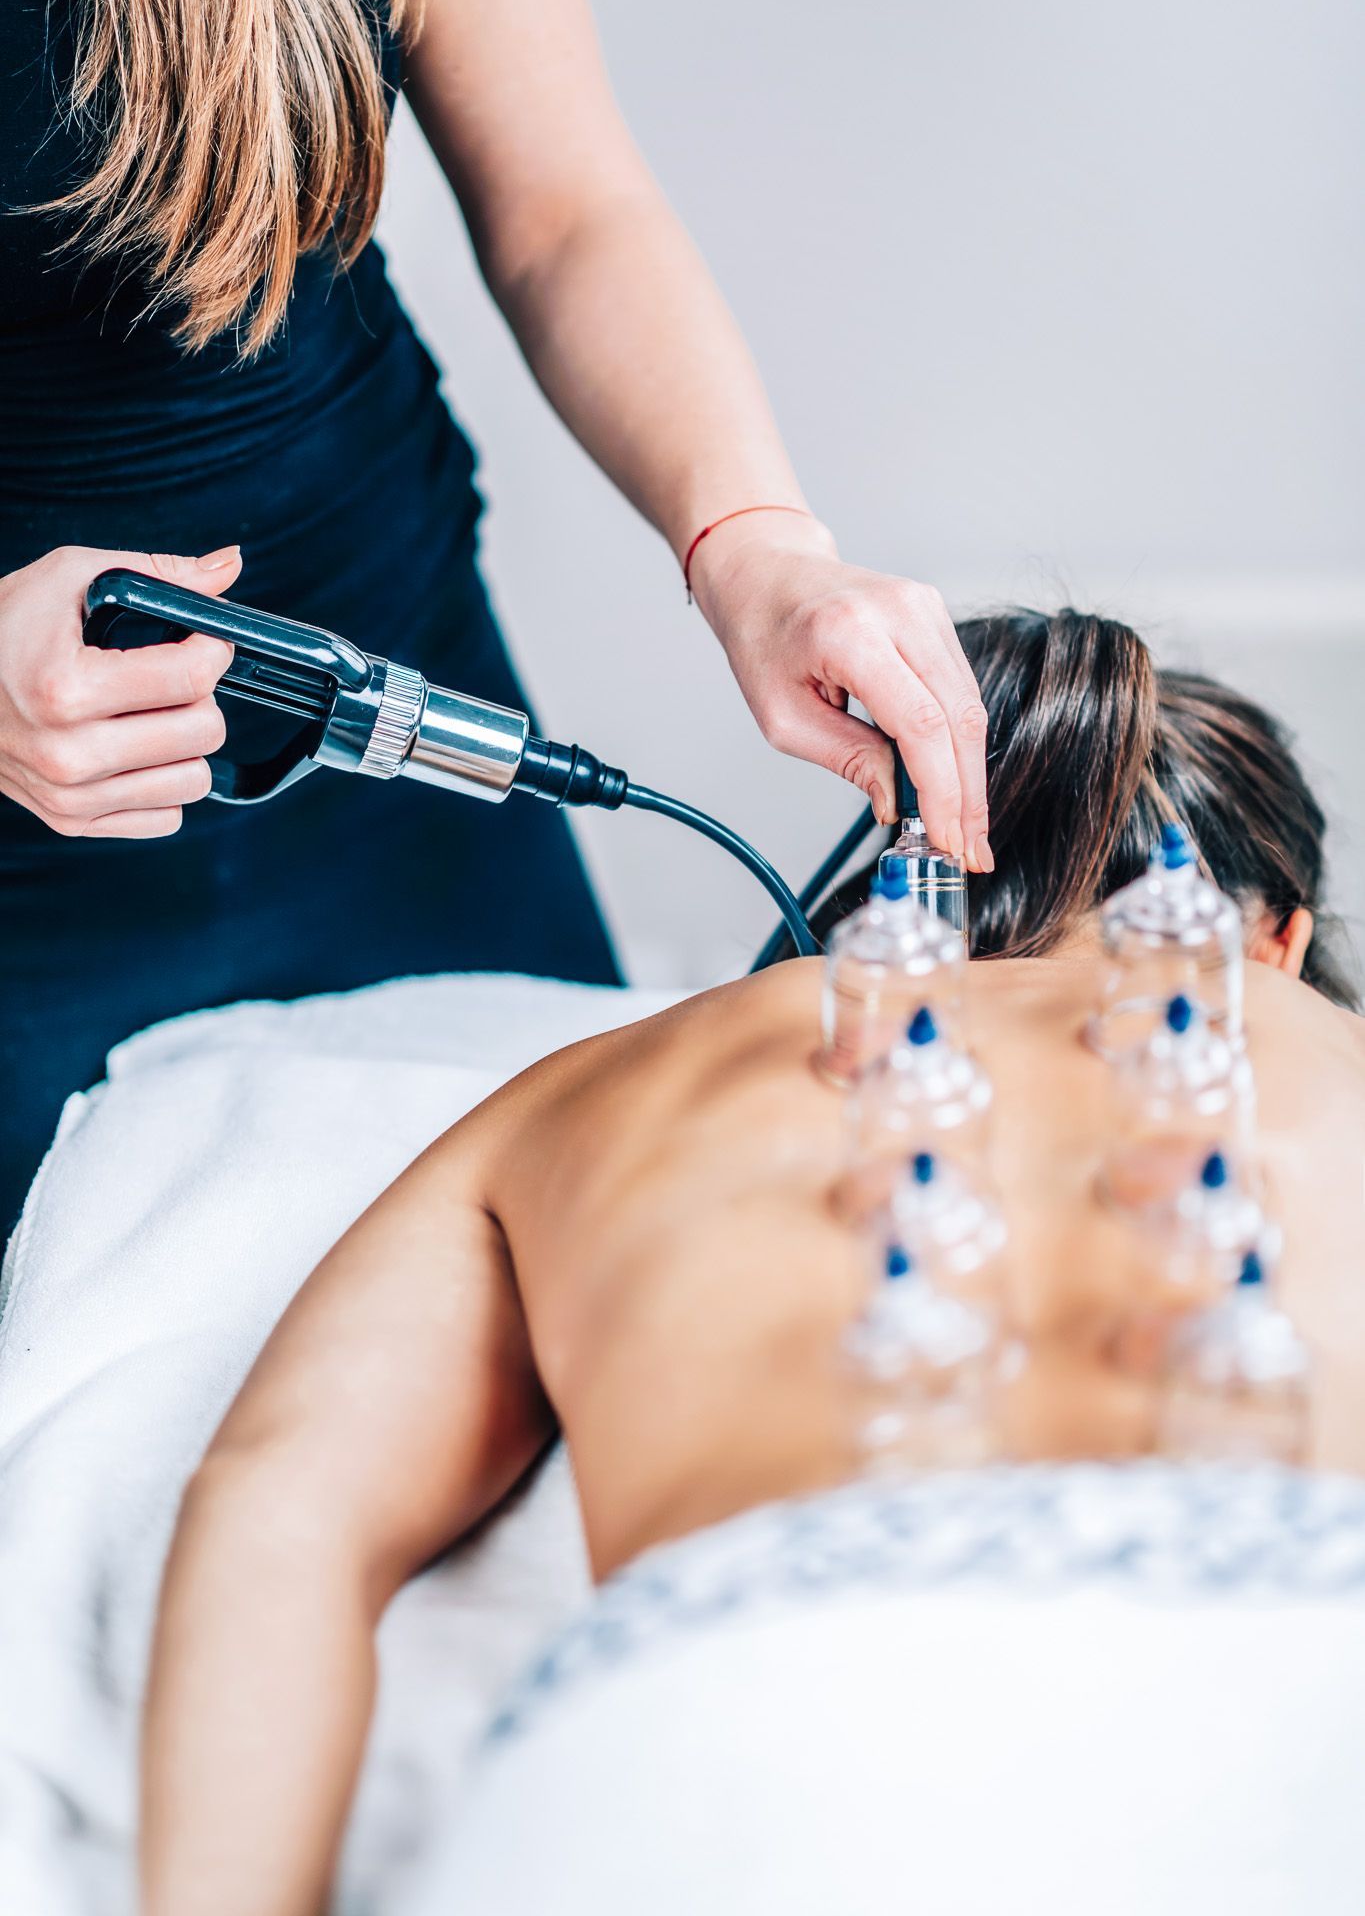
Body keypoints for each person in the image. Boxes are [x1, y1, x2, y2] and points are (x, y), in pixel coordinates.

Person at [139, 607, 1363, 1915]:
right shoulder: (1323, 1058)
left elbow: (284, 1510)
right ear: (1277, 943)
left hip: (748, 1704)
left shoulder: (589, 1095)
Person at [0, 0, 993, 1245]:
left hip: (389, 709)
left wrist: (754, 545)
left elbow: (568, 213)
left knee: (589, 1235)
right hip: (29, 859)